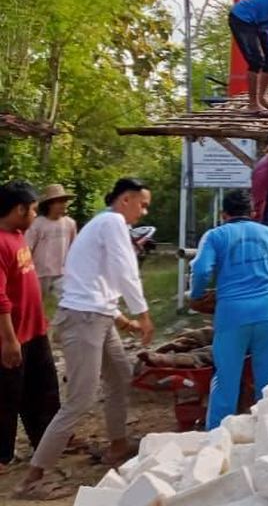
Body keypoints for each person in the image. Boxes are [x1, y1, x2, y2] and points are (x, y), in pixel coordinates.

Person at [21, 179, 155, 495]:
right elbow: (125, 270)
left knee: (120, 376)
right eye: (142, 203)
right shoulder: (111, 222)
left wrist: (121, 317)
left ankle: (118, 445)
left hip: (98, 316)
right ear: (125, 200)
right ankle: (33, 478)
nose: (144, 211)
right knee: (80, 399)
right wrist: (143, 314)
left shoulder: (104, 225)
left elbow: (100, 278)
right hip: (83, 320)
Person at [189, 190, 268, 428]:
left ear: (223, 214)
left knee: (226, 380)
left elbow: (201, 270)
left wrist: (197, 295)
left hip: (233, 314)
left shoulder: (215, 236)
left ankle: (218, 441)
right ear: (252, 213)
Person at [0, 182, 60, 473]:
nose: (36, 214)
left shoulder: (19, 234)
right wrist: (9, 340)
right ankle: (2, 455)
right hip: (12, 335)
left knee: (44, 388)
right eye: (34, 209)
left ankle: (47, 442)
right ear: (20, 209)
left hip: (35, 329)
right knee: (7, 395)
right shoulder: (0, 241)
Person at [25, 184, 76, 301]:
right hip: (40, 272)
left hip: (62, 272)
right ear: (49, 204)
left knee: (64, 303)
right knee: (36, 302)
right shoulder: (37, 224)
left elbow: (73, 248)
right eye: (59, 202)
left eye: (64, 201)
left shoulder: (70, 223)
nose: (63, 204)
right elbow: (28, 247)